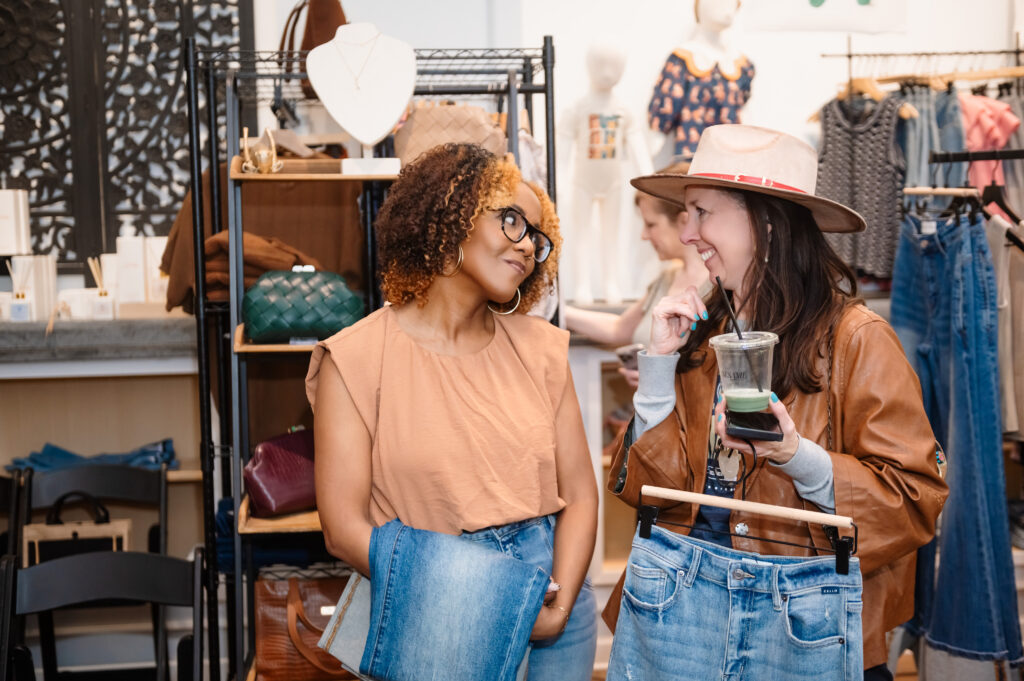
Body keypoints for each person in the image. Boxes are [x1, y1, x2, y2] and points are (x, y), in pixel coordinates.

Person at [603, 125, 948, 681]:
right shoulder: (701, 333)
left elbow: (914, 501)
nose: (686, 233)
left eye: (701, 212)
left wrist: (795, 455)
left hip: (806, 626)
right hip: (683, 614)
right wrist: (659, 371)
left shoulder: (856, 339)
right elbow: (644, 493)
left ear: (764, 222)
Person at [306, 143, 599, 680]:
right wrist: (484, 596)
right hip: (437, 601)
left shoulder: (542, 349)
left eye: (537, 235)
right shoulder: (354, 358)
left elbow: (579, 494)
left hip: (554, 596)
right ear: (452, 212)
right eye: (511, 220)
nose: (529, 246)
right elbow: (343, 529)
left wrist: (558, 607)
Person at [564, 162, 709, 388]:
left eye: (651, 224)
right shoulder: (666, 280)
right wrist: (559, 311)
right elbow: (619, 328)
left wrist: (662, 378)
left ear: (683, 221)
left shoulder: (719, 289)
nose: (644, 235)